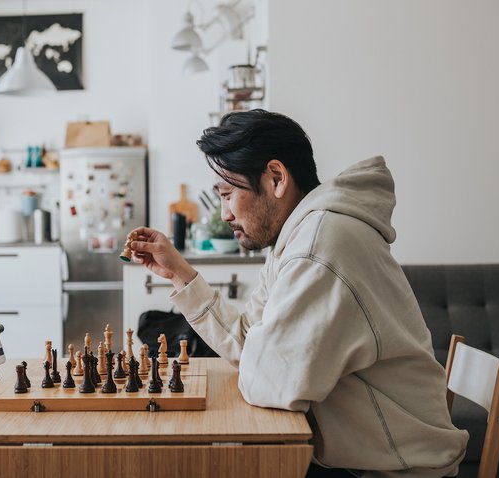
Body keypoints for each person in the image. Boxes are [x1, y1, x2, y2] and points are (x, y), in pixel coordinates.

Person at [129, 110, 468, 478]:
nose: (225, 213)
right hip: (360, 457)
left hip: (392, 470)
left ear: (276, 178)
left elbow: (270, 382)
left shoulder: (320, 247)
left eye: (228, 194)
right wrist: (178, 271)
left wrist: (258, 356)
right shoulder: (294, 241)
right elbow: (248, 342)